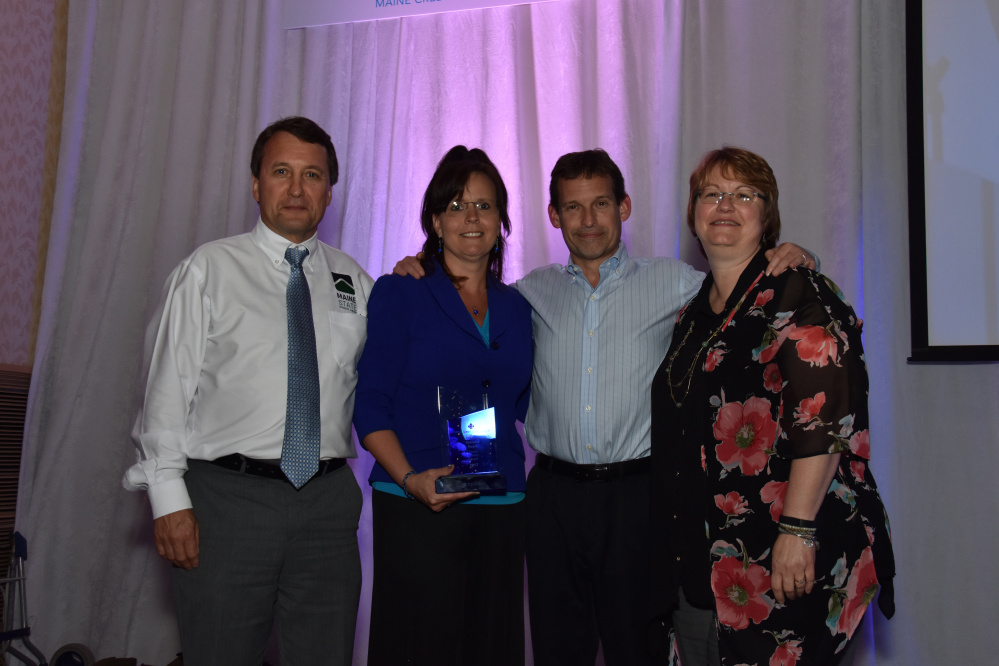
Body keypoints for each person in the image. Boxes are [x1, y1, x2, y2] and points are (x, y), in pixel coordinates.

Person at [394, 148, 815, 665]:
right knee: (556, 648)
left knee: (636, 649)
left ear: (625, 206)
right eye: (573, 207)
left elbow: (746, 285)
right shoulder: (526, 295)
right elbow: (471, 328)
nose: (588, 220)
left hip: (638, 500)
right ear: (554, 215)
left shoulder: (677, 284)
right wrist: (422, 266)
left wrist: (793, 255)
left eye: (600, 204)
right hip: (550, 501)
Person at [123, 116, 373, 665]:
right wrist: (168, 500)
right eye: (281, 171)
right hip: (227, 504)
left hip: (328, 509)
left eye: (313, 175)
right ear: (256, 184)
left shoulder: (355, 281)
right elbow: (165, 390)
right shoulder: (208, 270)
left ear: (330, 192)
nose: (297, 188)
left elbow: (385, 375)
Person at [649, 146, 895, 665]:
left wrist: (798, 531)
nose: (725, 205)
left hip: (783, 556)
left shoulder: (799, 293)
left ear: (767, 215)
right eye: (711, 194)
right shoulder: (694, 313)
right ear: (693, 212)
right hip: (707, 564)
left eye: (744, 195)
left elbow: (827, 422)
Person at [353, 146, 534, 665]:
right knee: (419, 647)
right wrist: (411, 479)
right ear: (435, 220)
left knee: (490, 649)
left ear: (501, 219)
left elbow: (519, 402)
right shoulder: (400, 292)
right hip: (417, 506)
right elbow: (369, 405)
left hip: (501, 505)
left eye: (484, 205)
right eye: (455, 206)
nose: (471, 218)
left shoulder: (517, 307)